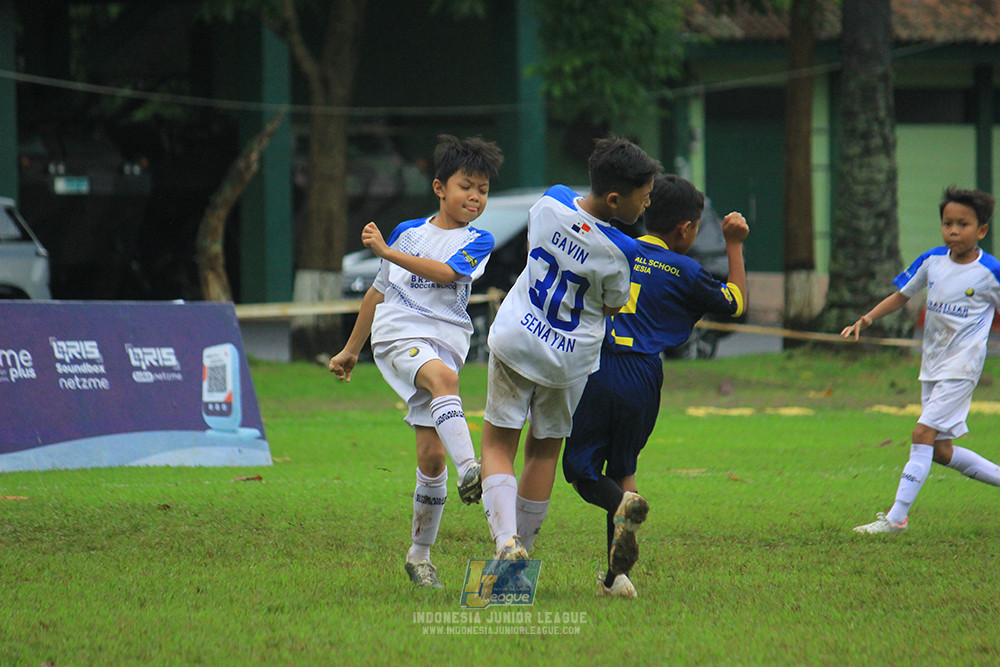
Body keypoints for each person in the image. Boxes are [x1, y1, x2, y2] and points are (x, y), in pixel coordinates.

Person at [329, 135, 504, 588]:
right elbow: (377, 294)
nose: (475, 197)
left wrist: (387, 251)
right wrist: (353, 347)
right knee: (444, 379)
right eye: (467, 186)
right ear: (439, 187)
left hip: (444, 338)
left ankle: (419, 555)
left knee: (430, 458)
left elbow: (448, 274)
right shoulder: (410, 232)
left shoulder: (477, 239)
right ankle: (473, 470)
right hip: (398, 331)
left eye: (483, 190)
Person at [479, 136, 661, 565]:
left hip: (516, 340)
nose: (647, 206)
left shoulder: (549, 201)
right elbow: (614, 304)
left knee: (497, 446)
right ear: (616, 200)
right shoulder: (624, 250)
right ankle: (520, 554)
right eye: (644, 198)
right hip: (566, 362)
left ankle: (505, 541)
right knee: (543, 450)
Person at [563, 175, 748, 597]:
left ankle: (620, 512)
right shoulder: (686, 270)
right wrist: (734, 244)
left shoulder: (617, 248)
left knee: (582, 471)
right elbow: (736, 302)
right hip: (645, 377)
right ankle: (615, 578)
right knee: (623, 469)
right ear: (686, 229)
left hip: (597, 367)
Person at [844, 186, 1000, 534]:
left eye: (963, 224)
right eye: (948, 223)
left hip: (963, 367)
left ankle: (897, 518)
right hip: (932, 365)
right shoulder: (932, 261)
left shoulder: (991, 272)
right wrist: (866, 319)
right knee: (942, 451)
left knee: (921, 432)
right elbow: (901, 296)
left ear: (982, 231)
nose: (954, 231)